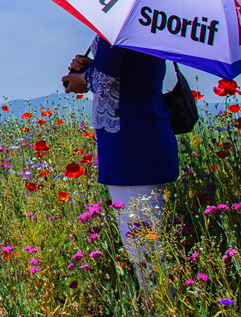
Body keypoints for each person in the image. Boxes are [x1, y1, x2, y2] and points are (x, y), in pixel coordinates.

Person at [62, 35, 177, 283]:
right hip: (138, 135)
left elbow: (102, 81)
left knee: (143, 248)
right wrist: (90, 67)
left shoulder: (119, 31)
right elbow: (126, 70)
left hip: (131, 141)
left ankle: (158, 304)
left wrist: (79, 80)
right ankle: (156, 302)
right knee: (144, 245)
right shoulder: (144, 26)